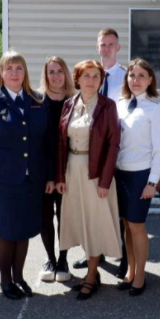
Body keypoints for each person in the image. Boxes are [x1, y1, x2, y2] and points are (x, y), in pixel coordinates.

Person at [0, 51, 55, 300]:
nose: (15, 73)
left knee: (24, 230)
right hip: (2, 181)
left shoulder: (39, 100)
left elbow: (48, 142)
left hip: (33, 180)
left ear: (25, 72)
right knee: (6, 231)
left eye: (19, 68)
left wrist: (50, 176)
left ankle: (19, 276)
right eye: (9, 68)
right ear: (1, 72)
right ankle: (5, 280)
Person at [56, 59, 122, 301]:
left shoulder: (107, 106)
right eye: (87, 76)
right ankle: (92, 272)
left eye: (96, 76)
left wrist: (105, 181)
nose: (91, 81)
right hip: (72, 173)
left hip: (95, 174)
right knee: (80, 222)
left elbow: (114, 145)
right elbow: (61, 143)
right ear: (77, 79)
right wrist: (60, 176)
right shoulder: (68, 105)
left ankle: (92, 276)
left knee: (94, 223)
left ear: (101, 81)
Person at [73, 28, 129, 278]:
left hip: (121, 152)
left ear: (118, 47)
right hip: (92, 155)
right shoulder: (90, 76)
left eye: (111, 44)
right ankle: (94, 253)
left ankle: (126, 257)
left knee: (121, 210)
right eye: (102, 44)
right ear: (97, 48)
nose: (106, 48)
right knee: (94, 208)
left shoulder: (128, 77)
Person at [115, 58, 160, 296]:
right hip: (119, 173)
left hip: (141, 175)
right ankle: (130, 271)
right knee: (126, 224)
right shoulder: (119, 104)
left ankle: (140, 276)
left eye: (141, 76)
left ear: (150, 80)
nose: (135, 80)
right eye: (131, 76)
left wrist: (152, 181)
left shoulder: (156, 109)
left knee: (137, 225)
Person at [36, 56, 77, 283]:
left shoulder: (75, 101)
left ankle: (63, 259)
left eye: (60, 71)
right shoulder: (37, 101)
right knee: (45, 216)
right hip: (43, 171)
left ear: (66, 74)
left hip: (69, 169)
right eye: (51, 72)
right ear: (46, 75)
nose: (56, 76)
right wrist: (49, 175)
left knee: (64, 217)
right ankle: (50, 258)